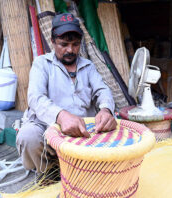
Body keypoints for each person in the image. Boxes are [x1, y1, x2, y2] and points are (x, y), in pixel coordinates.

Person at [16, 13, 117, 177]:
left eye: (75, 44)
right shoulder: (42, 64)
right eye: (64, 44)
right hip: (49, 127)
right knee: (28, 136)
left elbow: (103, 91)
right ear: (53, 41)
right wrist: (61, 116)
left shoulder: (88, 66)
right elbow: (35, 97)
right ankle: (50, 173)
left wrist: (106, 110)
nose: (70, 50)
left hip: (82, 130)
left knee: (113, 130)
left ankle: (79, 169)